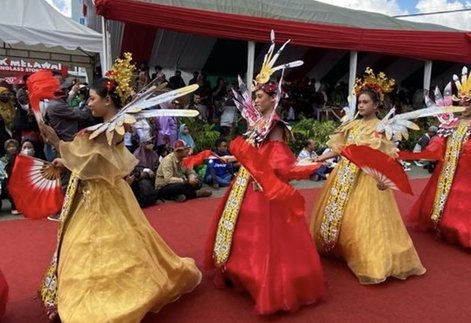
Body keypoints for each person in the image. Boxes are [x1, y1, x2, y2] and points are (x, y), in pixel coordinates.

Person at [35, 72, 201, 321]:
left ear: (108, 100)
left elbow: (96, 163)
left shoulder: (115, 128)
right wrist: (63, 155)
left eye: (92, 99)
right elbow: (89, 159)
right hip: (92, 193)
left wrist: (59, 144)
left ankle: (106, 295)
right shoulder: (104, 127)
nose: (88, 103)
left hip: (104, 196)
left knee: (103, 244)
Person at [203, 32, 326, 315]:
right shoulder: (256, 124)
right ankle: (240, 272)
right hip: (247, 184)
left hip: (265, 188)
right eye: (254, 96)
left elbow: (279, 159)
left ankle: (266, 281)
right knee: (244, 231)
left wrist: (298, 170)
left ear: (273, 97)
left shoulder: (276, 125)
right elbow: (250, 154)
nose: (255, 100)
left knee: (266, 236)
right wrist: (232, 158)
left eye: (259, 96)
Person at [310, 68, 426, 284]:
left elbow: (386, 157)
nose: (361, 105)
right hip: (343, 175)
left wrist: (384, 180)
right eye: (360, 102)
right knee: (339, 216)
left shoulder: (380, 129)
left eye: (365, 102)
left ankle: (367, 258)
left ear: (375, 105)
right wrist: (321, 158)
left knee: (361, 221)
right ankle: (338, 247)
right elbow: (339, 147)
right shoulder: (352, 124)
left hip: (367, 181)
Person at [406, 60, 471, 251]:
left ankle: (463, 232)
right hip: (447, 167)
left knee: (465, 202)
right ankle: (444, 226)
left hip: (468, 171)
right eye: (461, 102)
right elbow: (440, 143)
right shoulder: (450, 123)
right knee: (444, 196)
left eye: (467, 103)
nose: (463, 106)